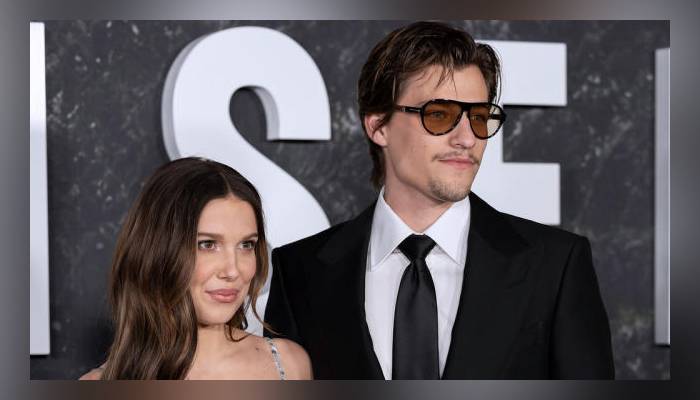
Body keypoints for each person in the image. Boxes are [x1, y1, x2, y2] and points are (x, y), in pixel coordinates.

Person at [264, 21, 614, 379]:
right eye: (439, 115)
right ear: (378, 126)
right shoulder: (300, 272)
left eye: (479, 117)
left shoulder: (555, 266)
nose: (467, 138)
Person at [80, 157, 311, 380]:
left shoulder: (290, 364)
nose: (233, 271)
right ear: (159, 251)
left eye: (246, 245)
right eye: (208, 244)